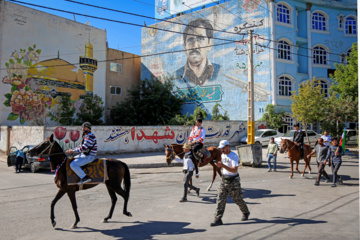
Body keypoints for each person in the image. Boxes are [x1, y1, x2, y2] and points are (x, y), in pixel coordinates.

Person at [211, 140, 250, 227]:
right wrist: (218, 165)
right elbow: (224, 167)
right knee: (220, 199)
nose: (222, 150)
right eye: (221, 148)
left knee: (237, 199)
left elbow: (234, 170)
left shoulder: (234, 156)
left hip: (233, 181)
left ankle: (245, 212)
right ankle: (217, 219)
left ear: (228, 147)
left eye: (224, 148)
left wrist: (223, 166)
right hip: (224, 179)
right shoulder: (222, 155)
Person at [175, 18, 221, 86]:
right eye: (190, 40)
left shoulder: (221, 71)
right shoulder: (175, 76)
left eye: (200, 39)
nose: (195, 46)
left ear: (210, 44)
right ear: (184, 47)